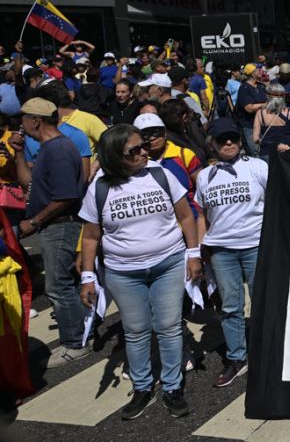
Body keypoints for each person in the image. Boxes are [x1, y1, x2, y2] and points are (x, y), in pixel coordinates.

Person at [80, 124, 202, 418]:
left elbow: (185, 216)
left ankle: (172, 387)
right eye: (134, 150)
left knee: (170, 326)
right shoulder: (99, 187)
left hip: (168, 263)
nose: (144, 152)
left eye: (144, 145)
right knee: (135, 331)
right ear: (113, 157)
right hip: (123, 272)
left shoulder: (160, 174)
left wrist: (194, 254)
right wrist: (87, 276)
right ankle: (143, 387)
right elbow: (91, 236)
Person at [7, 98, 87, 368]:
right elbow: (28, 183)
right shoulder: (47, 148)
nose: (21, 124)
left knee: (59, 285)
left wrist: (36, 222)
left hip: (60, 224)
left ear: (36, 121)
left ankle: (74, 343)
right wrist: (18, 153)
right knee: (66, 282)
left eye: (24, 118)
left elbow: (65, 196)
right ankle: (80, 331)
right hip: (54, 223)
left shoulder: (59, 149)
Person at [195, 118, 268, 388]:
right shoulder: (205, 176)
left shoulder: (258, 167)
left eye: (233, 138)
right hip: (221, 251)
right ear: (212, 144)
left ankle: (267, 353)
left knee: (263, 301)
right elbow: (202, 216)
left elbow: (276, 203)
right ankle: (237, 357)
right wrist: (200, 250)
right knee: (230, 306)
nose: (229, 143)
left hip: (255, 246)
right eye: (222, 139)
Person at [253, 83, 290, 156]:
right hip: (286, 152)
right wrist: (284, 146)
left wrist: (274, 146)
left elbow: (255, 139)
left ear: (267, 96)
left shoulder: (260, 113)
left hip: (267, 153)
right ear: (283, 96)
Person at [234, 64, 268, 153]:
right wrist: (265, 105)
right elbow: (249, 108)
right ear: (252, 74)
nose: (261, 72)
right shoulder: (244, 88)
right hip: (249, 125)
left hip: (263, 124)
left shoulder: (261, 86)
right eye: (258, 70)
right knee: (255, 150)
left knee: (265, 150)